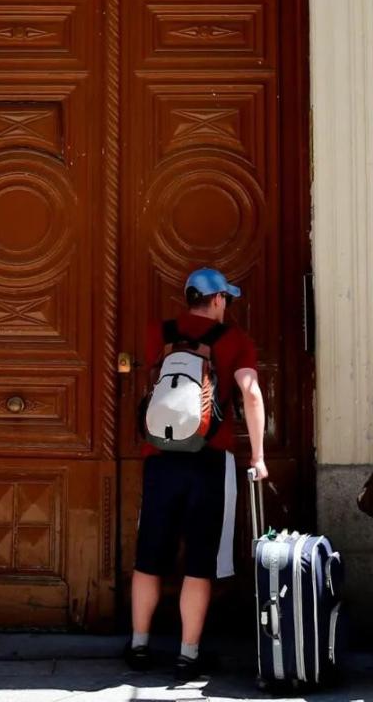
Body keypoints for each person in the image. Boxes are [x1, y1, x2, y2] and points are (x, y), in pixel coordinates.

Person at [125, 267, 267, 681]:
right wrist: (258, 456)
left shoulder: (159, 332)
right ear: (219, 299)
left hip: (160, 457)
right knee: (200, 561)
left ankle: (138, 645)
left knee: (149, 556)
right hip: (210, 457)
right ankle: (188, 654)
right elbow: (251, 393)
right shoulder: (235, 340)